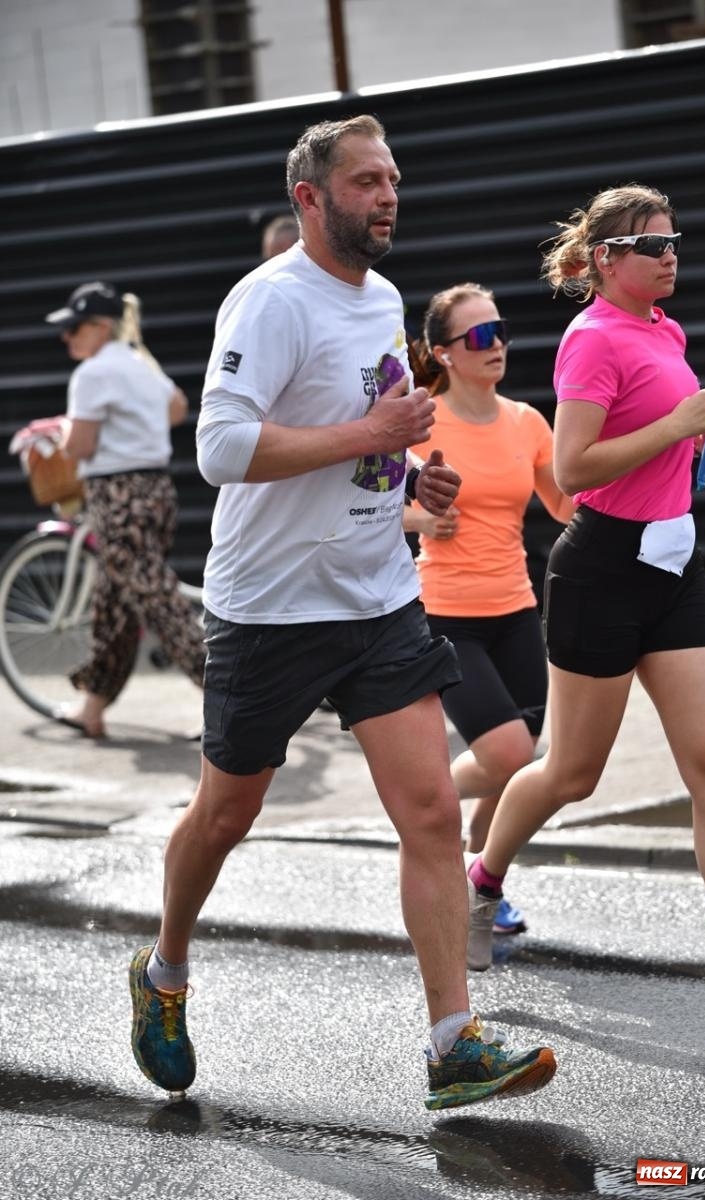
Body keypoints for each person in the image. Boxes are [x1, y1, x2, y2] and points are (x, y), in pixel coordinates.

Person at [127, 115, 556, 1111]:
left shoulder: (388, 300)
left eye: (394, 178)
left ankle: (452, 1040)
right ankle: (164, 971)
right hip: (271, 609)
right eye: (366, 181)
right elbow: (221, 450)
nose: (388, 195)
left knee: (432, 810)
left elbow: (377, 428)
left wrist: (413, 474)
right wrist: (372, 429)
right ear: (311, 197)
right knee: (227, 813)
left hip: (377, 593)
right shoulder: (269, 302)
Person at [466, 184, 705, 1031]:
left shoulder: (665, 330)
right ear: (606, 261)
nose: (671, 254)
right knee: (571, 774)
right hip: (603, 571)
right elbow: (574, 470)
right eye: (654, 244)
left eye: (674, 240)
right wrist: (672, 424)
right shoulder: (589, 341)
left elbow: (661, 444)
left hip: (674, 567)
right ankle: (480, 881)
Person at [404, 283, 573, 946]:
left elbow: (566, 505)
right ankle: (424, 806)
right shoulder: (422, 423)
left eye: (498, 331)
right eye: (477, 337)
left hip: (515, 608)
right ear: (443, 354)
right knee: (506, 750)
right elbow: (369, 504)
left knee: (520, 758)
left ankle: (480, 882)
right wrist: (421, 517)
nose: (494, 345)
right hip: (444, 611)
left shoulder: (526, 422)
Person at [44, 281, 207, 739]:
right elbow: (176, 409)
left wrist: (63, 437)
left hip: (118, 496)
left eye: (75, 328)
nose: (67, 337)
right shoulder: (140, 364)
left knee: (158, 600)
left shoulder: (92, 374)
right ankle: (93, 707)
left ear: (101, 326)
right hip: (156, 491)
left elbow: (80, 444)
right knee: (113, 603)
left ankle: (226, 693)